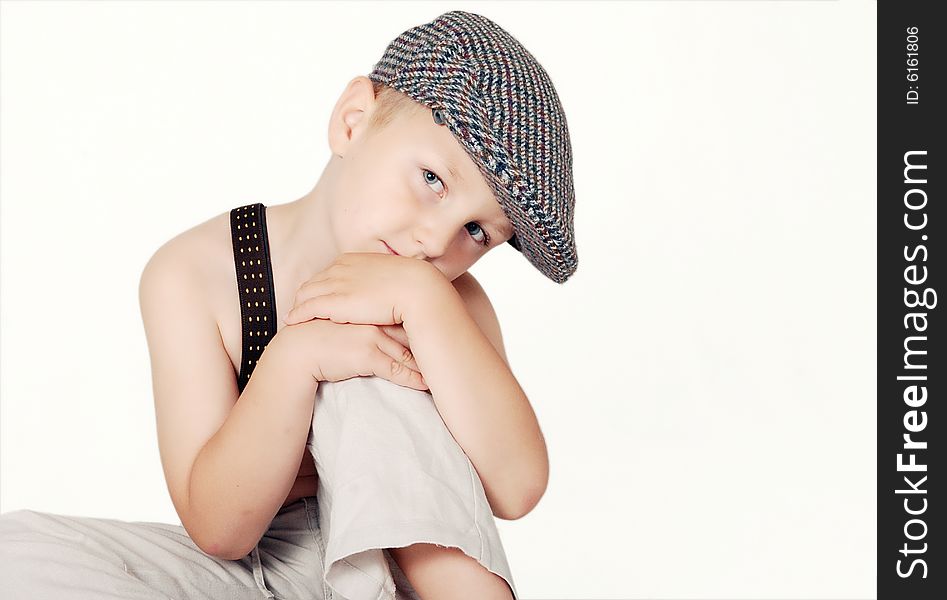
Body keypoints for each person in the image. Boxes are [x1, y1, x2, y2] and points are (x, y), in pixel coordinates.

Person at [0, 10, 577, 599]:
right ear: (354, 122)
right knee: (21, 558)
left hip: (389, 573)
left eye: (478, 231)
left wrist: (422, 301)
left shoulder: (446, 300)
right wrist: (294, 361)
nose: (437, 240)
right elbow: (218, 528)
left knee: (373, 363)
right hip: (257, 572)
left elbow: (517, 486)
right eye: (432, 179)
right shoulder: (195, 273)